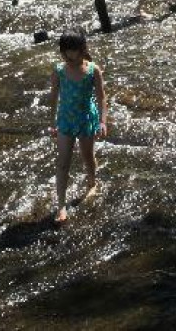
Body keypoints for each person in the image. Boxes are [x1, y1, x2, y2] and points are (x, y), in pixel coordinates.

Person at [49, 30, 107, 223]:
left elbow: (101, 97)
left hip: (86, 119)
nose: (70, 57)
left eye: (73, 52)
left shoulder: (93, 70)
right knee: (63, 162)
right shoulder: (59, 71)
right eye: (66, 52)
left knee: (87, 157)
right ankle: (61, 206)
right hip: (65, 121)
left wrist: (102, 121)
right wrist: (52, 123)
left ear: (82, 50)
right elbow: (54, 97)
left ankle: (92, 182)